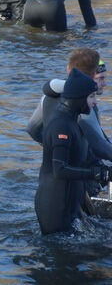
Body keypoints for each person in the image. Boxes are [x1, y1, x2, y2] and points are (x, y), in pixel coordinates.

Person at [26, 50, 110, 204]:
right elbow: (100, 146)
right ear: (89, 78)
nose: (105, 83)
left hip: (53, 181)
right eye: (100, 78)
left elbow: (33, 129)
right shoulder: (83, 105)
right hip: (81, 177)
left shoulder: (48, 96)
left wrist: (57, 147)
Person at [35, 68, 111, 234]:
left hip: (72, 205)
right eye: (91, 96)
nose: (95, 102)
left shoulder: (75, 123)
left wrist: (106, 171)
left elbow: (86, 158)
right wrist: (97, 174)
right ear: (78, 98)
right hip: (54, 208)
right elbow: (60, 170)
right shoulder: (60, 125)